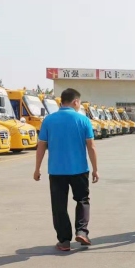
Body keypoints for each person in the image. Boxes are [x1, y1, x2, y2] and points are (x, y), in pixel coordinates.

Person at [33, 88, 99, 251]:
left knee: (59, 205)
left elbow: (41, 146)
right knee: (82, 200)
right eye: (79, 103)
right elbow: (91, 146)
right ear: (75, 101)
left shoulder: (48, 120)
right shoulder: (83, 120)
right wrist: (95, 169)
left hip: (56, 171)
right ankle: (82, 231)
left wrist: (37, 168)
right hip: (79, 170)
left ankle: (64, 241)